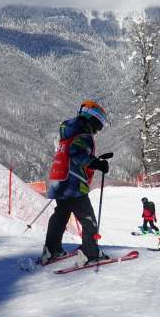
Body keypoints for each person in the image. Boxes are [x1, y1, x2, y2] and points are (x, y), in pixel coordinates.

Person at [42, 100, 110, 265]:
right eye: (99, 122)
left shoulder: (69, 132)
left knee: (60, 215)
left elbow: (73, 153)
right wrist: (97, 164)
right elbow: (78, 154)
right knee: (88, 219)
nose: (98, 128)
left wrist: (94, 160)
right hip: (74, 184)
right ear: (93, 119)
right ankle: (90, 253)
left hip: (60, 182)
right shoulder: (83, 134)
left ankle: (51, 250)